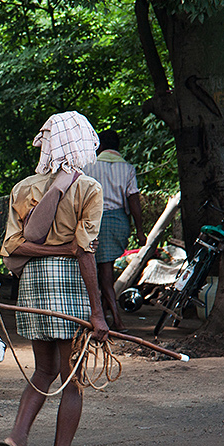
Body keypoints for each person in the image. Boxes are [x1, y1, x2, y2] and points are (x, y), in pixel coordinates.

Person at [0, 111, 109, 446]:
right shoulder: (88, 188)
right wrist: (98, 313)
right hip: (70, 287)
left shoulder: (24, 187)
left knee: (43, 371)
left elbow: (12, 246)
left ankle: (17, 437)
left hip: (31, 286)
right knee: (73, 379)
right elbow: (86, 251)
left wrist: (43, 249)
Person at [82, 129, 146, 332]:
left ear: (99, 145)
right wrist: (140, 230)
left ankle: (117, 321)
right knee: (104, 270)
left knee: (104, 273)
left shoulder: (89, 166)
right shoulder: (127, 168)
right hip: (119, 221)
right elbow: (133, 200)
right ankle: (107, 316)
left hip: (95, 222)